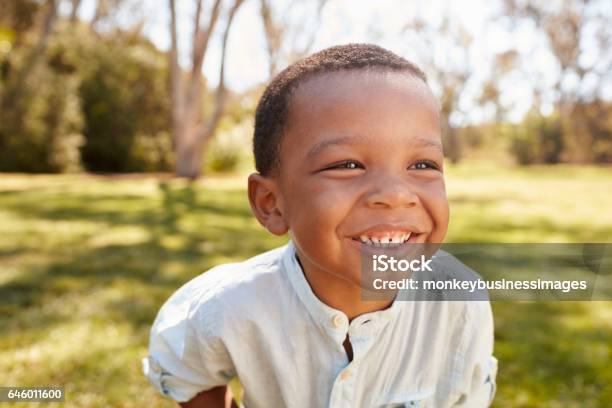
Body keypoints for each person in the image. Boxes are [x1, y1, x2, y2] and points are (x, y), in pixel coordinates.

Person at [142, 43, 497, 408]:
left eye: (422, 165)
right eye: (347, 165)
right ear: (271, 204)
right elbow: (184, 369)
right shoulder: (230, 305)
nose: (394, 195)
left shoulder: (459, 300)